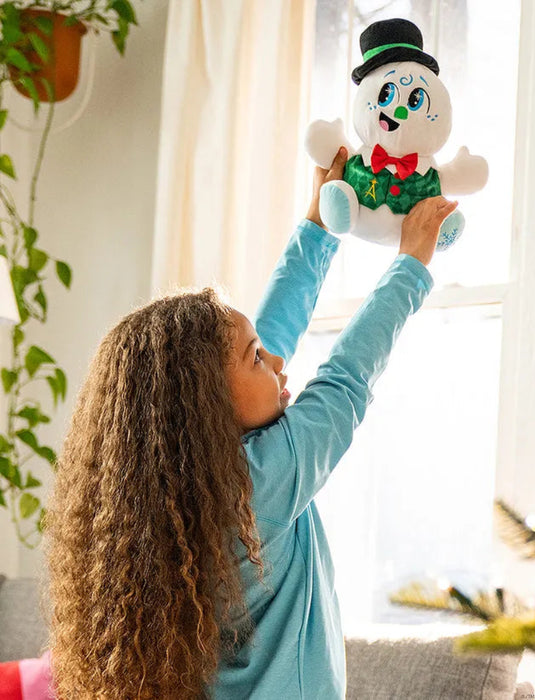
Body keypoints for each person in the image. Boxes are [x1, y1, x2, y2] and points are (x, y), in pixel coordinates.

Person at [43, 147, 458, 699]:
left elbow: (270, 333)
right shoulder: (259, 483)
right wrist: (411, 264)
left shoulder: (178, 498)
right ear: (207, 401)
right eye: (259, 357)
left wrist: (319, 228)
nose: (278, 360)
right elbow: (347, 378)